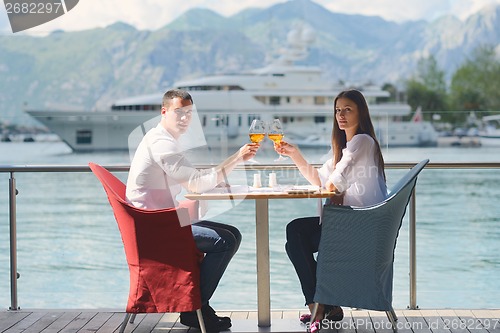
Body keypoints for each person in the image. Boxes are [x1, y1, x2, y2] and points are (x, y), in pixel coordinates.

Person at [126, 89, 260, 332]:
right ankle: (193, 307)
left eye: (189, 113)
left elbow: (192, 179)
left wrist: (216, 179)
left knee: (233, 234)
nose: (185, 118)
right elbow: (196, 184)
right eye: (179, 112)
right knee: (225, 241)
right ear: (164, 112)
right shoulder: (161, 143)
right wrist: (236, 158)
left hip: (161, 220)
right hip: (155, 227)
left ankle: (198, 306)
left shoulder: (164, 139)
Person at [274, 89, 387, 325]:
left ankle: (320, 305)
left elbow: (334, 182)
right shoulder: (344, 146)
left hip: (358, 226)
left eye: (348, 109)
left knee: (295, 234)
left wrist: (331, 183)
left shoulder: (362, 142)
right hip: (347, 223)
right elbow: (320, 180)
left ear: (361, 113)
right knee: (294, 237)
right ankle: (324, 305)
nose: (341, 115)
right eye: (338, 110)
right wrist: (295, 154)